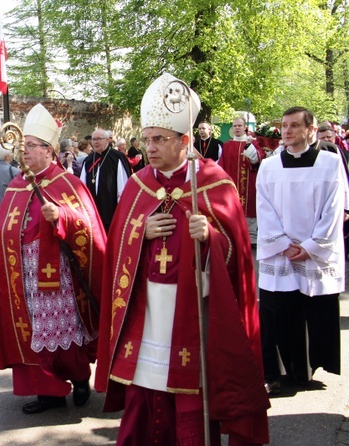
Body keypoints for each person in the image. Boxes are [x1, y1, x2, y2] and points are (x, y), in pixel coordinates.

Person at [95, 73, 269, 446]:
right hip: (148, 310)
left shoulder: (213, 183)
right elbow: (117, 244)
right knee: (146, 388)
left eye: (160, 139)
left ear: (185, 140)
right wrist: (141, 232)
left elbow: (236, 253)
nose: (151, 147)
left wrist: (209, 237)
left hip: (192, 310)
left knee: (190, 393)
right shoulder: (139, 184)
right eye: (147, 138)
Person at [0, 103, 107, 414]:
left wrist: (62, 216)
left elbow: (88, 225)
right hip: (23, 274)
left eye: (31, 146)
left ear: (49, 150)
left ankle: (80, 379)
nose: (24, 152)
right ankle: (49, 391)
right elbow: (3, 226)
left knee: (64, 330)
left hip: (57, 273)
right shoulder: (17, 183)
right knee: (35, 332)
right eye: (23, 146)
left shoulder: (67, 183)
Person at [257, 107, 346, 396]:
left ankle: (308, 368)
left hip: (313, 251)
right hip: (280, 252)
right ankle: (277, 371)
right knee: (277, 311)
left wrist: (310, 247)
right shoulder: (269, 166)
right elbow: (264, 208)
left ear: (310, 129)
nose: (287, 131)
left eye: (295, 125)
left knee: (312, 311)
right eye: (284, 126)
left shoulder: (330, 163)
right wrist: (283, 244)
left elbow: (334, 209)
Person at [218, 117, 265, 244]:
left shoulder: (252, 143)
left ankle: (252, 238)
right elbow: (222, 164)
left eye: (239, 125)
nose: (237, 128)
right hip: (232, 183)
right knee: (232, 207)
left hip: (249, 182)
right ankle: (234, 236)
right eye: (235, 126)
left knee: (250, 207)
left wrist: (250, 148)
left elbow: (258, 160)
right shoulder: (227, 145)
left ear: (245, 127)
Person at [80, 128, 131, 233]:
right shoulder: (88, 160)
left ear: (107, 140)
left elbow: (123, 183)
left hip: (111, 208)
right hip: (93, 209)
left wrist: (122, 206)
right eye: (93, 139)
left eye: (99, 139)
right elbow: (82, 185)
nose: (95, 142)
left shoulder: (117, 157)